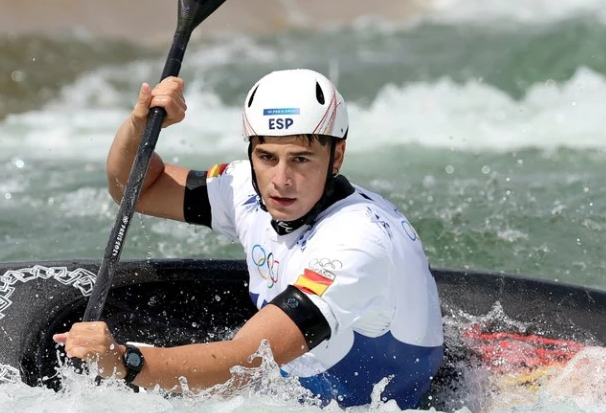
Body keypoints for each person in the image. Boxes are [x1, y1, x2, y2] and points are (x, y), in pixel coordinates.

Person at [53, 69, 445, 408]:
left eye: (301, 159)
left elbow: (245, 364)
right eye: (267, 157)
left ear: (337, 156)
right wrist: (140, 125)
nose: (281, 180)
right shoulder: (244, 187)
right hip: (295, 383)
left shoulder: (357, 244)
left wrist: (125, 362)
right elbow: (134, 188)